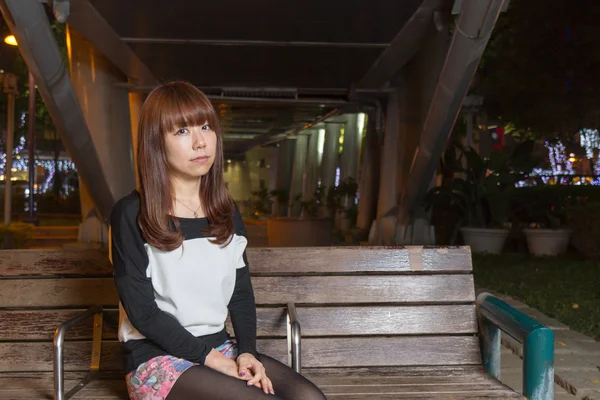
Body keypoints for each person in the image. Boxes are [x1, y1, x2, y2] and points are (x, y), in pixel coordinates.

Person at [110, 81, 327, 400]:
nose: (200, 142)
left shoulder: (224, 209)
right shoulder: (131, 213)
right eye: (181, 131)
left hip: (220, 346)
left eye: (206, 126)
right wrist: (218, 363)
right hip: (156, 359)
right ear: (156, 142)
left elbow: (240, 291)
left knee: (310, 399)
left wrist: (247, 352)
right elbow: (144, 314)